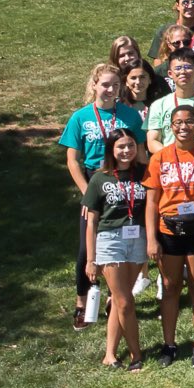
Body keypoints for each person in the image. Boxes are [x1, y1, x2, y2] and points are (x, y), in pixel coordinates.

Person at [61, 63, 146, 330]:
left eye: (116, 86)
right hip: (95, 181)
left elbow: (141, 152)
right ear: (94, 86)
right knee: (88, 247)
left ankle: (115, 297)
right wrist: (88, 193)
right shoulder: (81, 117)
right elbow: (72, 160)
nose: (110, 90)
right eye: (106, 85)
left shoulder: (130, 116)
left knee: (125, 238)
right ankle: (81, 303)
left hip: (125, 179)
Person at [80, 128, 149, 370]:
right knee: (125, 302)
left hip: (138, 237)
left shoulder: (143, 173)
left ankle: (109, 354)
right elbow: (91, 222)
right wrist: (91, 259)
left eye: (130, 145)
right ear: (111, 149)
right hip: (110, 241)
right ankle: (136, 355)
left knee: (121, 301)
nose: (126, 150)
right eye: (121, 146)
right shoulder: (100, 178)